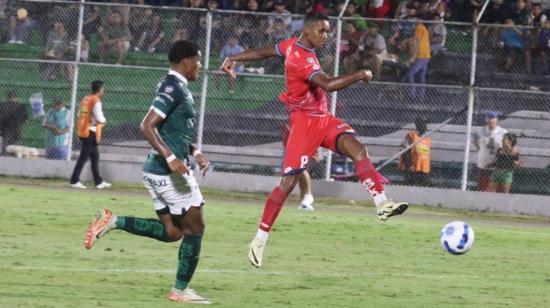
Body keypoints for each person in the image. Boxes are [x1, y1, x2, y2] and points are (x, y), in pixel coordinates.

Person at [222, 12, 408, 268]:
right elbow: (329, 85)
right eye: (322, 31)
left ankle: (382, 203)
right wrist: (360, 74)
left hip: (323, 118)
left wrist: (233, 57)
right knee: (287, 184)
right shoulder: (301, 59)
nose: (326, 36)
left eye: (327, 31)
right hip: (304, 123)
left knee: (359, 150)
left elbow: (262, 52)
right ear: (307, 31)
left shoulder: (290, 46)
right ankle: (259, 239)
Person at [84, 40, 211, 304]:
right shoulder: (173, 87)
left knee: (172, 232)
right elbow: (147, 125)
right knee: (195, 229)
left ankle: (113, 221)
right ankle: (180, 291)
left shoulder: (174, 86)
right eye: (198, 60)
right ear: (186, 61)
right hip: (168, 172)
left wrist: (194, 151)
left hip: (155, 169)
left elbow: (171, 130)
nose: (200, 65)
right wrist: (173, 158)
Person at [70, 80, 111, 189]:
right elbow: (99, 117)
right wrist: (104, 121)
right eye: (103, 89)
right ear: (100, 89)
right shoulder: (96, 101)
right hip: (90, 131)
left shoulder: (86, 99)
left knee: (94, 156)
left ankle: (98, 181)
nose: (104, 90)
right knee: (84, 157)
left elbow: (79, 114)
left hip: (83, 129)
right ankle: (74, 180)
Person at [472, 111, 507, 192]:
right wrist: (479, 150)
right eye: (488, 118)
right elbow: (474, 140)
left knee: (496, 189)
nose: (490, 120)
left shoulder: (503, 132)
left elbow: (506, 146)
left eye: (492, 118)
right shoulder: (480, 130)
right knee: (482, 189)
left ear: (497, 119)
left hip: (497, 166)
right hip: (483, 165)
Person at [402, 15, 431, 102]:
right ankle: (420, 98)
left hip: (421, 55)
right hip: (426, 55)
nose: (413, 20)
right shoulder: (423, 28)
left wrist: (413, 57)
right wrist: (406, 41)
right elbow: (415, 38)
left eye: (415, 18)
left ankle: (412, 95)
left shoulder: (419, 27)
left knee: (410, 74)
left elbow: (417, 42)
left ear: (420, 19)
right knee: (421, 77)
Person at [399, 118, 431, 186]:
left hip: (424, 169)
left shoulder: (426, 137)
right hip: (413, 169)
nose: (425, 126)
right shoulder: (411, 135)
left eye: (425, 124)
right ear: (417, 124)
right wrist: (409, 165)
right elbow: (404, 150)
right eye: (422, 123)